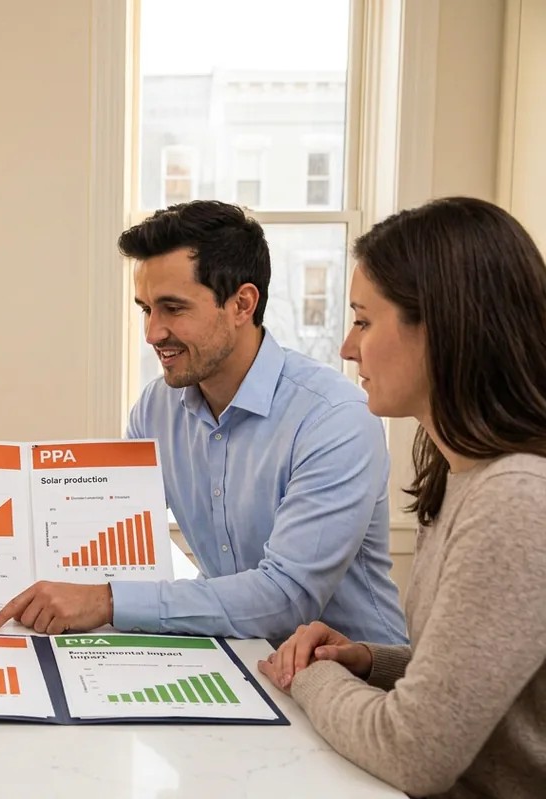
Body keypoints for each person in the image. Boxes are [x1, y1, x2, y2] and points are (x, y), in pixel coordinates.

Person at [0, 200, 407, 645]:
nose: (152, 333)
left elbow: (285, 599)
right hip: (236, 659)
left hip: (355, 676)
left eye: (173, 308)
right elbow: (111, 542)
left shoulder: (335, 418)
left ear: (242, 304)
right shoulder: (156, 409)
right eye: (146, 309)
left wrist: (107, 601)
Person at [258, 197, 546, 798]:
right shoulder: (462, 475)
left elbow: (415, 752)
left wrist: (304, 676)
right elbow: (480, 685)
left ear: (441, 326)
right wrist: (368, 661)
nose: (347, 347)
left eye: (364, 321)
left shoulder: (516, 499)